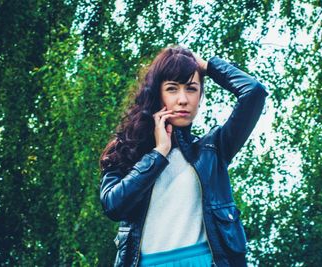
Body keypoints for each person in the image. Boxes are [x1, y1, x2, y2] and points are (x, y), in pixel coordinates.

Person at [99, 45, 269, 267]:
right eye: (172, 88)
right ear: (157, 94)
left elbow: (254, 93)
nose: (182, 99)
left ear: (200, 97)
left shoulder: (214, 149)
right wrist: (159, 153)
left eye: (191, 89)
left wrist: (208, 67)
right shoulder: (125, 149)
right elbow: (114, 206)